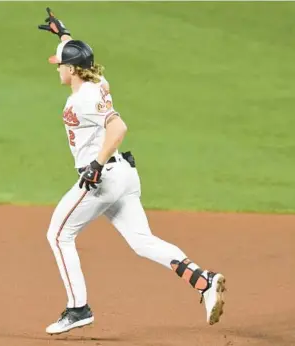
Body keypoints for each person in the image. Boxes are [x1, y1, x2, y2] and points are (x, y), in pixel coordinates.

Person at [38, 8, 226, 335]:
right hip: (124, 175)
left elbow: (118, 128)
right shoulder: (97, 82)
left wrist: (95, 165)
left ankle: (77, 307)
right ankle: (204, 281)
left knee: (58, 234)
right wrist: (63, 35)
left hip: (103, 179)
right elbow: (83, 58)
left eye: (61, 66)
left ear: (72, 69)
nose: (58, 71)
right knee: (141, 241)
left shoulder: (82, 100)